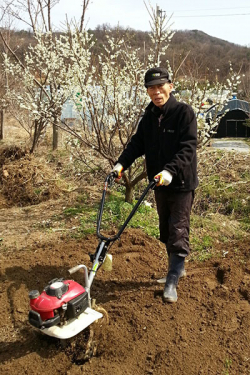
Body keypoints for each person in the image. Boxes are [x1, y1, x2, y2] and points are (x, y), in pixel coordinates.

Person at [112, 67, 198, 303]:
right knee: (166, 228)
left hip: (180, 182)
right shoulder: (150, 116)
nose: (156, 92)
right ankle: (177, 269)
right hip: (159, 183)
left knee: (179, 229)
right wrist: (121, 164)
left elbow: (188, 147)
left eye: (161, 86)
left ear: (170, 86)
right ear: (147, 91)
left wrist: (170, 170)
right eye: (151, 88)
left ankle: (172, 279)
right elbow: (137, 143)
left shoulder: (183, 113)